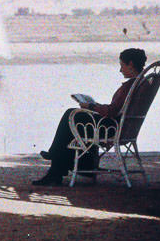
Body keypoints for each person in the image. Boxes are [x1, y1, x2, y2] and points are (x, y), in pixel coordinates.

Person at [32, 47, 147, 186]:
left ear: (131, 64)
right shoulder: (141, 83)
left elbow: (112, 111)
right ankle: (61, 167)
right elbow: (116, 109)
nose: (120, 70)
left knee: (71, 114)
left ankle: (56, 161)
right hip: (122, 126)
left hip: (111, 128)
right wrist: (95, 105)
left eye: (122, 65)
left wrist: (91, 107)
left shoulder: (130, 86)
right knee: (75, 122)